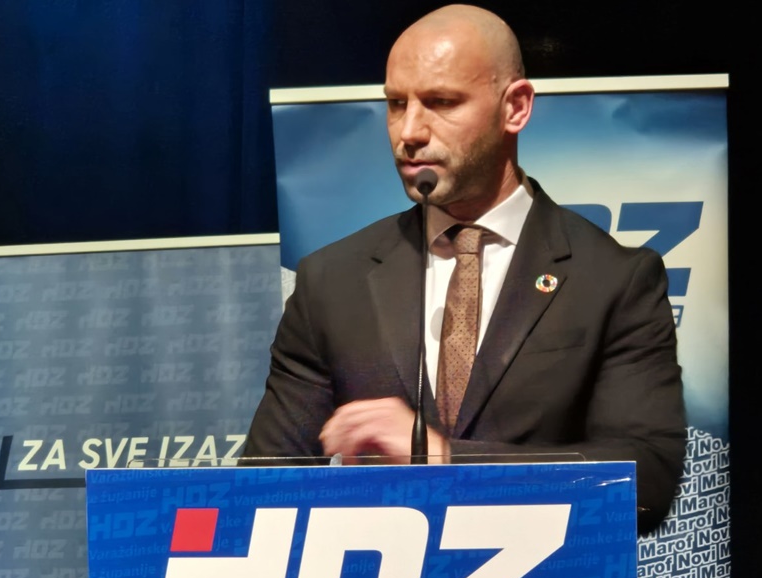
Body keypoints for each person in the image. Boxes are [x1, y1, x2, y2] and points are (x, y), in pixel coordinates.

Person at [245, 4, 685, 531]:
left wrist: (446, 457)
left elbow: (647, 482)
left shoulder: (614, 279)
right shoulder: (331, 281)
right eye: (396, 104)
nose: (409, 131)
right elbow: (262, 486)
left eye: (441, 102)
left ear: (515, 108)